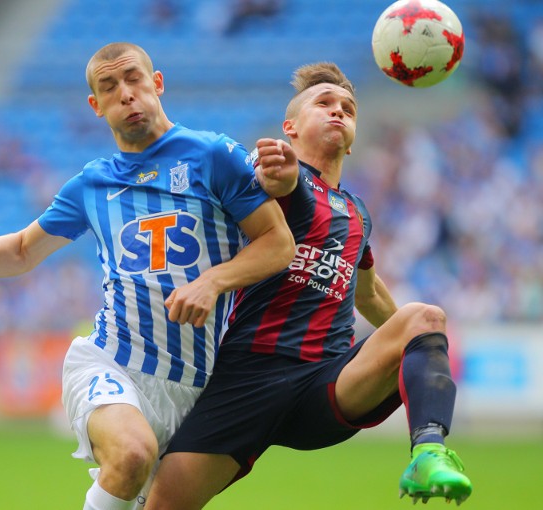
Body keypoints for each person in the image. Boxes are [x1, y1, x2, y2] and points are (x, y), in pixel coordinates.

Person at [0, 42, 294, 510]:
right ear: (96, 106)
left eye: (133, 79)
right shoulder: (93, 183)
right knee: (131, 454)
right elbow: (24, 250)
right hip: (111, 363)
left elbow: (278, 243)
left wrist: (214, 280)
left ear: (158, 84)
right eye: (109, 87)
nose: (125, 93)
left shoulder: (213, 156)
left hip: (194, 387)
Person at [144, 62, 473, 509]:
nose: (339, 112)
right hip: (247, 376)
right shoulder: (279, 184)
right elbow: (281, 181)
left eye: (348, 109)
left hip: (327, 382)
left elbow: (369, 293)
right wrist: (276, 173)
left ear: (355, 137)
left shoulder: (358, 213)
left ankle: (428, 451)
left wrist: (416, 346)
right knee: (161, 505)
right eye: (324, 104)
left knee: (425, 317)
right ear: (290, 128)